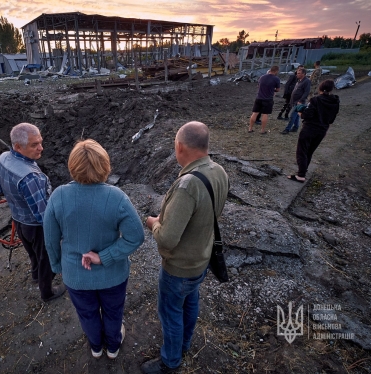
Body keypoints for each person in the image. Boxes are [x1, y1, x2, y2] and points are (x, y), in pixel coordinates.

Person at [43, 139, 144, 360]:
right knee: (113, 311)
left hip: (75, 275)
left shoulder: (58, 196)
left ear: (72, 166)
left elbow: (50, 239)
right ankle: (113, 347)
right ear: (105, 166)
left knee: (87, 313)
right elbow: (136, 236)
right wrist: (104, 257)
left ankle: (96, 347)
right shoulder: (117, 197)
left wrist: (58, 266)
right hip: (113, 275)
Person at [142, 122, 229, 374]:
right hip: (201, 259)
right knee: (190, 303)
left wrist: (153, 223)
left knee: (170, 313)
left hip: (179, 267)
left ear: (180, 146)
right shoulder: (219, 171)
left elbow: (168, 239)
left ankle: (170, 362)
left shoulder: (187, 185)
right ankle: (186, 344)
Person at [0, 122, 65, 302]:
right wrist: (58, 231)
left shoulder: (3, 158)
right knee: (45, 258)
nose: (41, 148)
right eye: (34, 145)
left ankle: (35, 275)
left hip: (18, 219)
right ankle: (47, 292)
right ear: (18, 147)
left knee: (33, 253)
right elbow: (43, 215)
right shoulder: (30, 176)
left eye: (40, 142)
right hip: (35, 226)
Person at [287, 80, 340, 183]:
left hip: (309, 128)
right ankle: (303, 172)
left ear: (320, 88)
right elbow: (331, 119)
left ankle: (301, 175)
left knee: (302, 151)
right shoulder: (335, 102)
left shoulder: (315, 100)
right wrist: (325, 131)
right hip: (322, 130)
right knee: (310, 151)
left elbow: (307, 115)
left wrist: (300, 113)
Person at [248, 65, 281, 134]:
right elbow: (278, 89)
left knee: (254, 113)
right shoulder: (276, 79)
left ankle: (250, 128)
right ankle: (262, 130)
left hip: (259, 98)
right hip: (268, 99)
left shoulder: (262, 77)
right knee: (265, 114)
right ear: (276, 71)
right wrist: (273, 90)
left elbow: (258, 86)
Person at [281, 67, 310, 134]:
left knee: (292, 115)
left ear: (303, 74)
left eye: (299, 73)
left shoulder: (306, 81)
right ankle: (295, 127)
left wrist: (301, 100)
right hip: (294, 101)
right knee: (296, 116)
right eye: (297, 73)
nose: (297, 74)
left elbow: (306, 92)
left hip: (299, 102)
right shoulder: (299, 80)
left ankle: (287, 129)